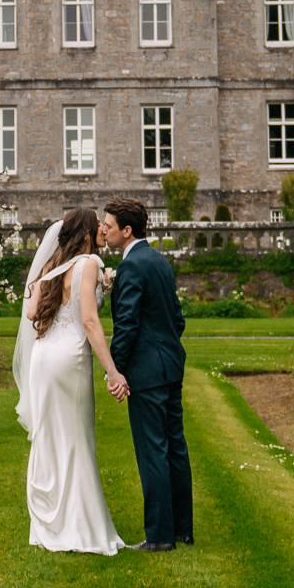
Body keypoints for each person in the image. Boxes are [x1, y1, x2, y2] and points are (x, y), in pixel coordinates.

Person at [14, 208, 129, 554]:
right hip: (70, 360)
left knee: (50, 435)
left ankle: (48, 520)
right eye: (97, 227)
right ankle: (80, 527)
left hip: (43, 356)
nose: (101, 231)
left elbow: (32, 312)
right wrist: (113, 371)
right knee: (77, 437)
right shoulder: (89, 263)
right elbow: (91, 323)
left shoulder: (51, 265)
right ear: (84, 233)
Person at [99, 197, 192, 551]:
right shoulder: (159, 261)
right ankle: (183, 528)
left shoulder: (132, 267)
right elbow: (177, 320)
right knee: (175, 447)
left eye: (108, 225)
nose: (103, 230)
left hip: (147, 372)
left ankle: (158, 537)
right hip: (171, 366)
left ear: (127, 230)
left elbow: (126, 326)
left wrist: (115, 371)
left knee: (153, 450)